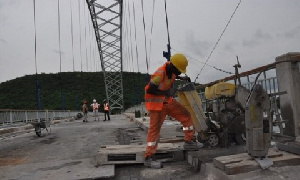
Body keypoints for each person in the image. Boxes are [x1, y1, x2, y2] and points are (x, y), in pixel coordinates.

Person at [143, 53, 203, 168]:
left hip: (167, 102)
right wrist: (166, 92)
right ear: (172, 66)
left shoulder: (172, 71)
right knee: (154, 130)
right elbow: (150, 89)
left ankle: (189, 141)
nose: (179, 72)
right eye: (179, 70)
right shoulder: (159, 73)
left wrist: (182, 78)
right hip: (156, 106)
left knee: (186, 116)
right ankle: (149, 157)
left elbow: (173, 76)